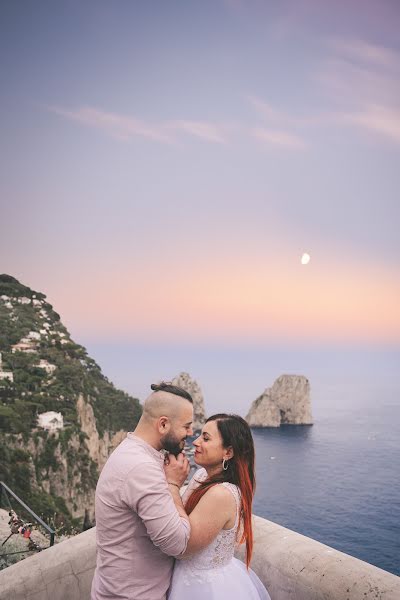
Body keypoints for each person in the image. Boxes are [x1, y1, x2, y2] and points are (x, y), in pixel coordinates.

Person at [91, 382, 195, 600]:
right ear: (163, 424)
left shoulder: (133, 453)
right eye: (186, 426)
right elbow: (177, 543)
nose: (191, 432)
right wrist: (174, 485)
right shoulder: (141, 468)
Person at [167, 414, 271, 600]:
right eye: (199, 435)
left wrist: (173, 485)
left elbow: (183, 549)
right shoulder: (201, 476)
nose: (196, 442)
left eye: (206, 438)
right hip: (185, 578)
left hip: (206, 588)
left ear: (228, 453)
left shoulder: (221, 494)